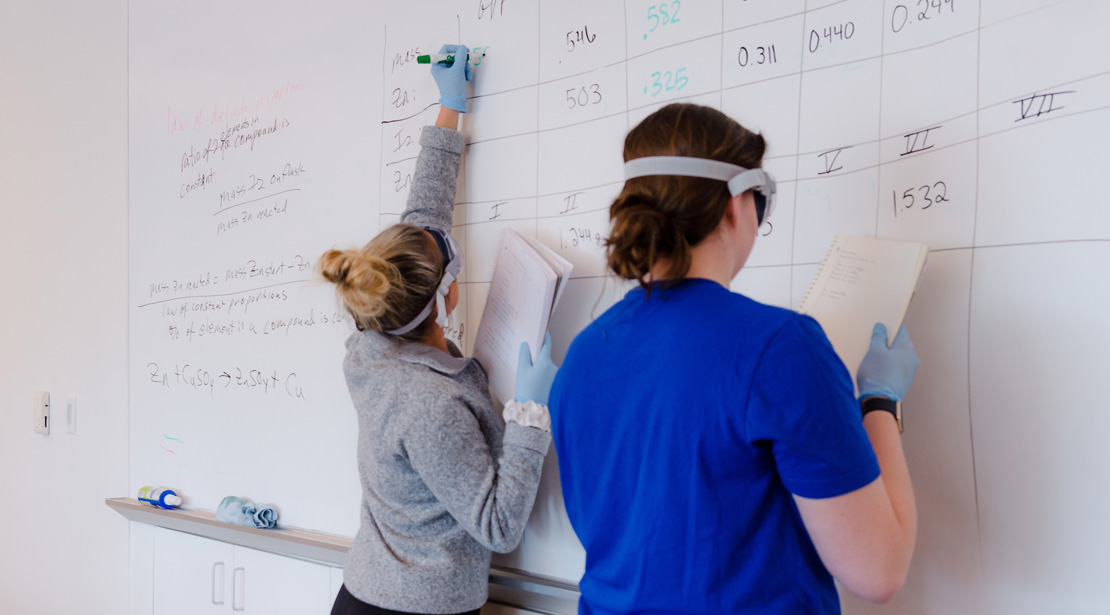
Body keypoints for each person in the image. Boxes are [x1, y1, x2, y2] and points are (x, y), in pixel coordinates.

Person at [549, 103, 919, 614]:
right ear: (735, 205)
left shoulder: (583, 355)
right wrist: (879, 401)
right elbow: (878, 570)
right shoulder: (780, 346)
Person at [322, 45, 559, 615]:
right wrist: (528, 415)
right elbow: (498, 527)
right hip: (409, 611)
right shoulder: (427, 404)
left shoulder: (371, 339)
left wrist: (449, 109)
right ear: (444, 295)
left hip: (369, 596)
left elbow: (422, 220)